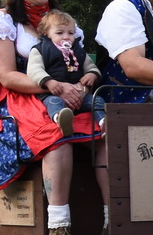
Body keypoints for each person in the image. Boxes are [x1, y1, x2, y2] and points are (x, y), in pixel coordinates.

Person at [0, 0, 103, 235]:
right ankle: (59, 231)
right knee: (56, 137)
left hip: (65, 93)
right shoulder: (3, 21)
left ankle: (111, 224)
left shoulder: (63, 23)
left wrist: (79, 83)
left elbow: (81, 65)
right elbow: (7, 77)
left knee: (106, 133)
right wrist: (52, 84)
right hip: (22, 97)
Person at [28, 10, 103, 139]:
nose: (66, 37)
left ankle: (104, 122)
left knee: (97, 101)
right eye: (59, 33)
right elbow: (34, 69)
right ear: (46, 33)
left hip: (79, 95)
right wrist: (48, 82)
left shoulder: (78, 52)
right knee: (53, 102)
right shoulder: (41, 50)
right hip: (53, 92)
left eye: (71, 33)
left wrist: (92, 75)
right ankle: (61, 119)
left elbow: (90, 66)